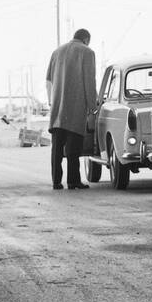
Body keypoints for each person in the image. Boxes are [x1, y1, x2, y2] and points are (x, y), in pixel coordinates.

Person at [45, 29, 97, 190]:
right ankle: (73, 181)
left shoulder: (57, 52)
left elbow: (48, 80)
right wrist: (92, 106)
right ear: (86, 39)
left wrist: (51, 102)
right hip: (75, 107)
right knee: (73, 149)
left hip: (57, 109)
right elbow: (89, 80)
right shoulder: (87, 52)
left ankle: (56, 182)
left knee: (57, 149)